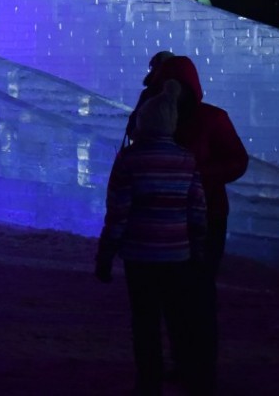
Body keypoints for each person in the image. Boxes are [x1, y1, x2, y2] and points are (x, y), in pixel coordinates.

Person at [139, 54, 249, 390]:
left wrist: (197, 175)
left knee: (198, 294)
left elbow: (237, 161)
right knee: (172, 296)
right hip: (166, 220)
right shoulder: (158, 115)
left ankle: (200, 365)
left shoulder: (212, 118)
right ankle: (184, 361)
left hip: (206, 217)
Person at [97, 81, 208, 395]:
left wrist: (105, 253)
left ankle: (149, 380)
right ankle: (185, 374)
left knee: (144, 321)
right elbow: (197, 210)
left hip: (141, 254)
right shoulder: (186, 159)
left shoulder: (130, 160)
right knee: (177, 317)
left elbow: (117, 212)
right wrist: (198, 249)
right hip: (177, 254)